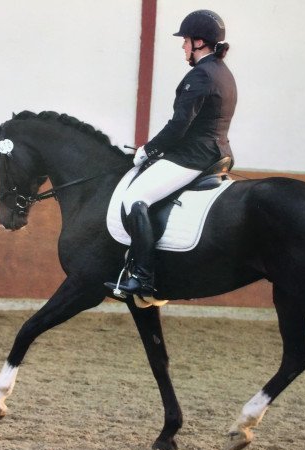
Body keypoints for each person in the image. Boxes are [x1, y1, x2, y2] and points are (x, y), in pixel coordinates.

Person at [108, 9, 237, 298]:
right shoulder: (223, 73)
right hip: (216, 152)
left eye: (186, 41)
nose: (183, 46)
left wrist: (148, 150)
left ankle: (142, 277)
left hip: (194, 156)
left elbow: (179, 124)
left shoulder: (201, 75)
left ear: (200, 43)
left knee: (135, 198)